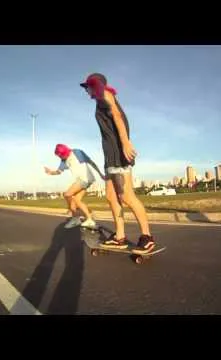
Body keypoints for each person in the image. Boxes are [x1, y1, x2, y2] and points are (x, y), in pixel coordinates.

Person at [80, 73, 156, 254]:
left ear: (94, 85)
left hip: (117, 156)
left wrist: (125, 142)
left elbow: (118, 117)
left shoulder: (105, 95)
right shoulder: (101, 99)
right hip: (110, 157)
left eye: (87, 87)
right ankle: (119, 237)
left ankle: (147, 237)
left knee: (127, 196)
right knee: (111, 197)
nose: (86, 91)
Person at [44, 143, 104, 229]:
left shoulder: (77, 152)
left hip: (85, 178)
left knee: (67, 194)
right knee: (76, 200)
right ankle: (88, 219)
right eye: (59, 157)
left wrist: (100, 174)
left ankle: (74, 215)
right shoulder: (64, 161)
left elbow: (90, 162)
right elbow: (59, 172)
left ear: (64, 152)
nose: (61, 158)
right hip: (83, 180)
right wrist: (50, 172)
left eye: (61, 156)